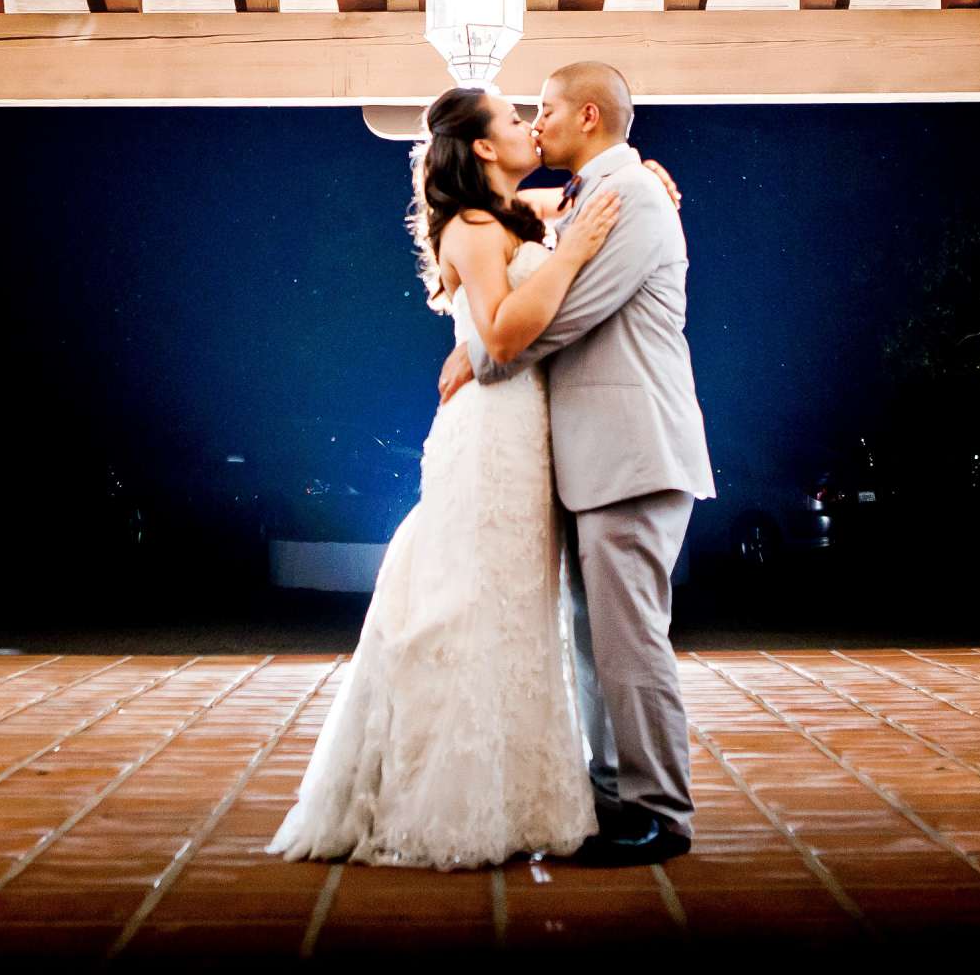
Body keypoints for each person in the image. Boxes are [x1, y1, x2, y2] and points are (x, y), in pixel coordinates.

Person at [267, 84, 622, 869]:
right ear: (485, 147)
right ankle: (446, 799)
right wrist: (568, 254)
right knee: (471, 606)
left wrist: (629, 190)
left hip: (527, 437)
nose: (531, 125)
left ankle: (518, 793)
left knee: (522, 613)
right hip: (489, 438)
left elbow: (549, 240)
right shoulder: (468, 225)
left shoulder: (511, 216)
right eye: (514, 119)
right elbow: (498, 338)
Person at [438, 61, 713, 867]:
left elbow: (565, 318)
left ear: (587, 116)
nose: (536, 120)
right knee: (599, 640)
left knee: (630, 643)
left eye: (548, 109)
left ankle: (661, 812)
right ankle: (613, 793)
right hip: (598, 458)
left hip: (633, 452)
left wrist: (482, 353)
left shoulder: (630, 201)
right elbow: (499, 217)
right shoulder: (592, 195)